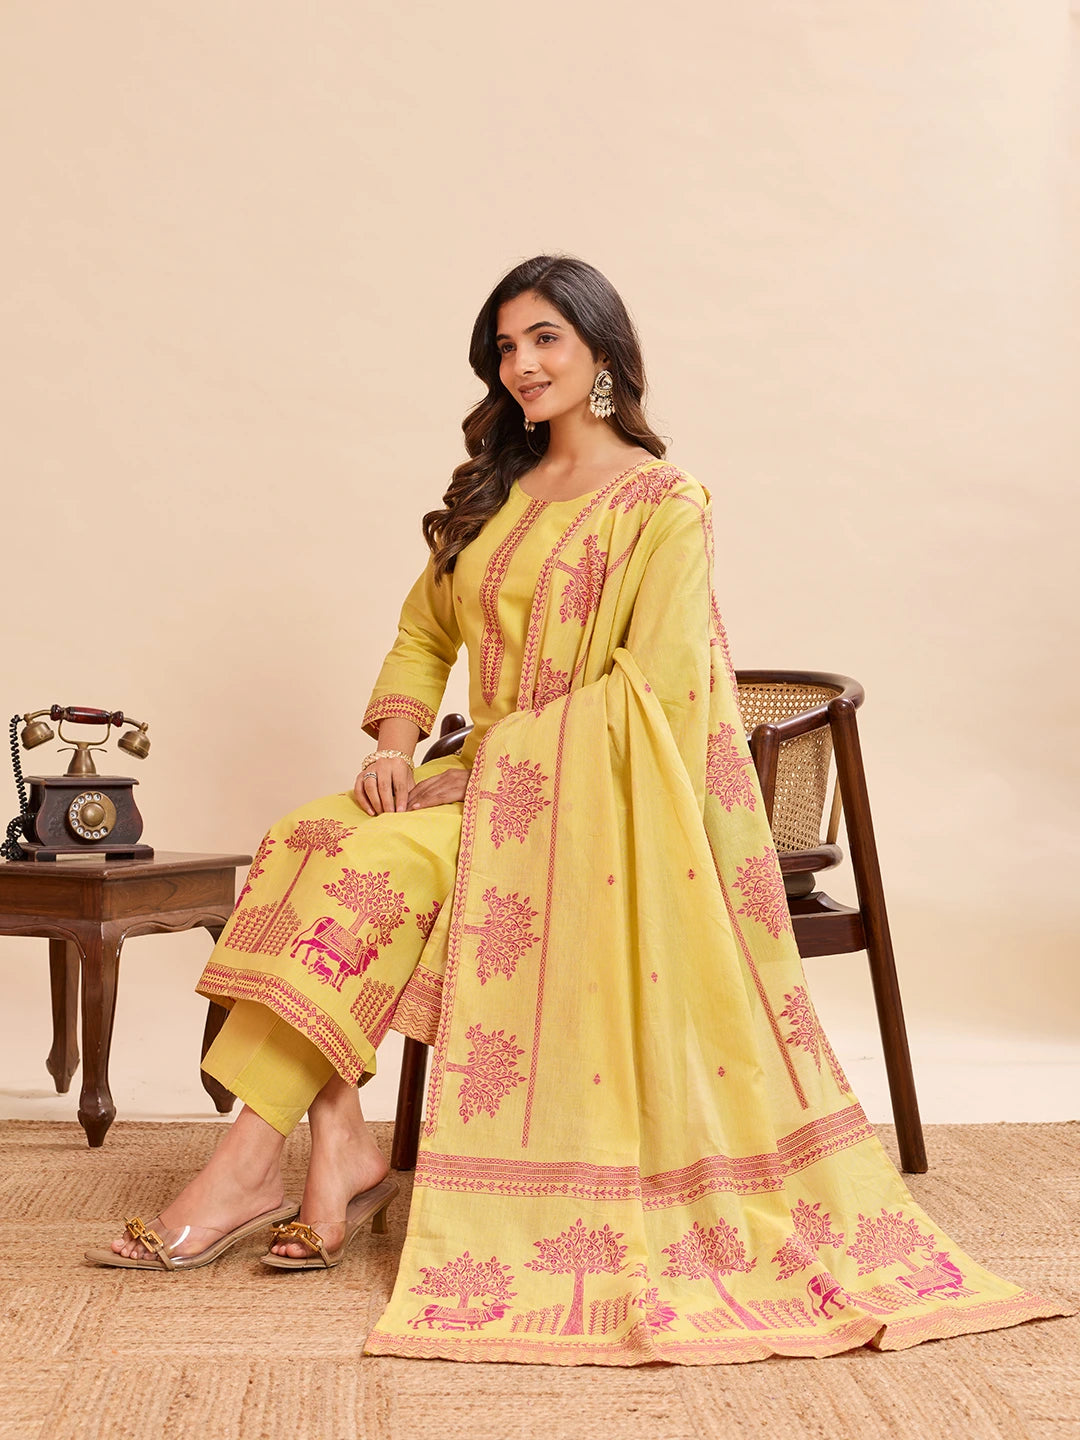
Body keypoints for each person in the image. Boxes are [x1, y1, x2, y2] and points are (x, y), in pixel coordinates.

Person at [86, 255, 1067, 1363]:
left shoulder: (664, 505)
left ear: (601, 351)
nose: (521, 365)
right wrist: (401, 747)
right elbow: (423, 634)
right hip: (475, 787)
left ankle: (243, 1168)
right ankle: (336, 1140)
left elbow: (652, 690)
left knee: (386, 870)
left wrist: (502, 759)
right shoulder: (494, 494)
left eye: (545, 338)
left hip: (587, 805)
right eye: (505, 346)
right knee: (311, 834)